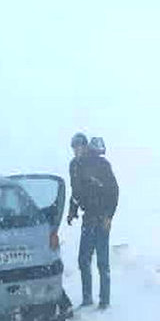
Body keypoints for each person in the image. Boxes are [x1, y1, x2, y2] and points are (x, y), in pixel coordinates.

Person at [65, 132, 119, 309]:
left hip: (102, 217)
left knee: (102, 262)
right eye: (74, 147)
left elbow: (114, 191)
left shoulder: (101, 164)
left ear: (85, 146)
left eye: (79, 147)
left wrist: (109, 217)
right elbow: (75, 193)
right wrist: (72, 212)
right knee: (83, 259)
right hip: (88, 218)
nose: (76, 150)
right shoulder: (74, 166)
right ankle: (87, 298)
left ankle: (105, 302)